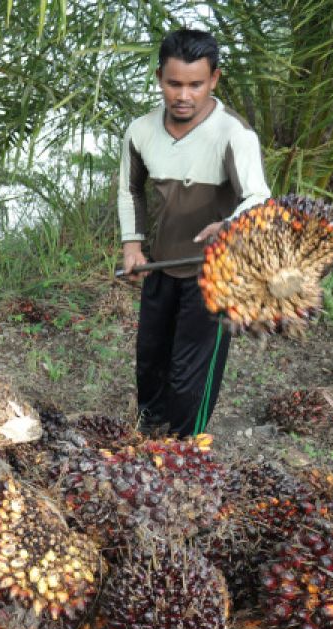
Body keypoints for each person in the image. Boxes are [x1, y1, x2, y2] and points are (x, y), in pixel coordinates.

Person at [118, 28, 271, 438]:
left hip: (214, 275)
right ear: (159, 78)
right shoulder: (141, 131)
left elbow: (258, 196)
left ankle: (186, 453)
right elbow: (130, 189)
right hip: (164, 266)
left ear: (214, 80)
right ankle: (150, 432)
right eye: (174, 83)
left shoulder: (233, 134)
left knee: (191, 374)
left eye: (195, 84)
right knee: (150, 359)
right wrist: (133, 246)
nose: (183, 95)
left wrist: (230, 225)